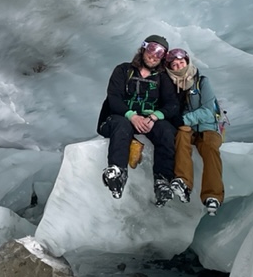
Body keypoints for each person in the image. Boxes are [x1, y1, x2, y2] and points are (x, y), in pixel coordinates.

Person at [96, 35, 179, 206]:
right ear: (143, 48)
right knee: (122, 125)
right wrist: (131, 116)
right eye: (152, 49)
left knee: (167, 131)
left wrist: (154, 116)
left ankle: (162, 180)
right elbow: (114, 98)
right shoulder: (123, 70)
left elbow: (172, 104)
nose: (154, 55)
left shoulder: (162, 78)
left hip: (148, 119)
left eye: (160, 53)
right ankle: (117, 171)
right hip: (120, 117)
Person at [165, 47, 224, 216]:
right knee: (182, 135)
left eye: (181, 63)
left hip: (208, 128)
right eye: (174, 65)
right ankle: (183, 182)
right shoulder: (172, 86)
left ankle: (212, 195)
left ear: (188, 62)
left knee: (210, 147)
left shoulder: (202, 82)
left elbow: (208, 110)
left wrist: (184, 119)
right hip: (189, 130)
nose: (179, 67)